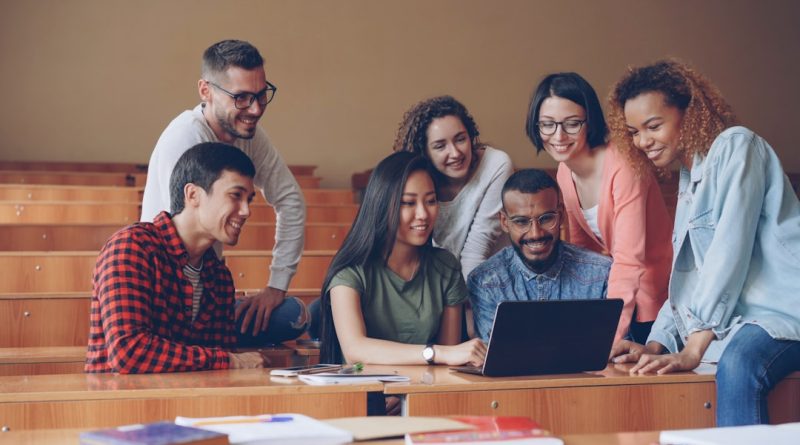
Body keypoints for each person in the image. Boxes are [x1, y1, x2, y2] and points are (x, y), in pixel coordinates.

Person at [607, 59, 800, 426]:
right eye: (633, 131)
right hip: (741, 320)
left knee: (741, 360)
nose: (642, 141)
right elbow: (689, 275)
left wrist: (694, 347)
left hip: (784, 313)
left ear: (689, 114)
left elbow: (729, 251)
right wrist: (657, 343)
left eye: (653, 126)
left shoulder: (736, 146)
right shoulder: (689, 172)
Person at [140, 39, 308, 345]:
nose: (255, 109)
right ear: (206, 91)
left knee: (295, 313)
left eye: (261, 95)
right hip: (171, 296)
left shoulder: (246, 131)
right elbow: (181, 242)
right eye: (242, 98)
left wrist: (276, 286)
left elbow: (291, 199)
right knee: (289, 320)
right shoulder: (184, 140)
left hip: (210, 286)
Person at [86, 143, 268, 373]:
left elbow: (220, 362)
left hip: (190, 401)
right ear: (193, 194)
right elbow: (130, 353)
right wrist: (230, 360)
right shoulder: (132, 247)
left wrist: (227, 361)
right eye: (235, 195)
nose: (246, 211)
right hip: (121, 402)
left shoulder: (219, 275)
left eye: (249, 199)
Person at [525, 73, 671, 344]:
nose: (558, 136)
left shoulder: (624, 166)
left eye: (571, 124)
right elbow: (583, 255)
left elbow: (629, 260)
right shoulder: (564, 174)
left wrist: (606, 337)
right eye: (547, 125)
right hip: (619, 297)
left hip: (657, 301)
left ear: (589, 121)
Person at [319, 151, 486, 367]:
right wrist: (435, 353)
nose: (423, 214)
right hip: (367, 394)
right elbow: (355, 350)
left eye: (431, 201)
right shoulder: (350, 271)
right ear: (381, 205)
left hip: (423, 393)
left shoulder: (445, 267)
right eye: (408, 203)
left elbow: (447, 364)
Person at [468, 169, 612, 342]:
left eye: (546, 218)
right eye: (521, 222)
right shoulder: (485, 282)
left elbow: (617, 354)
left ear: (561, 214)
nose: (535, 233)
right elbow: (492, 359)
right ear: (504, 222)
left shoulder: (602, 274)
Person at [393, 95, 514, 281]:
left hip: (490, 283)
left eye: (460, 139)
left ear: (471, 135)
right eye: (440, 146)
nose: (455, 153)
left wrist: (456, 305)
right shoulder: (419, 180)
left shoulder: (496, 164)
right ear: (424, 151)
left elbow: (477, 251)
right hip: (440, 285)